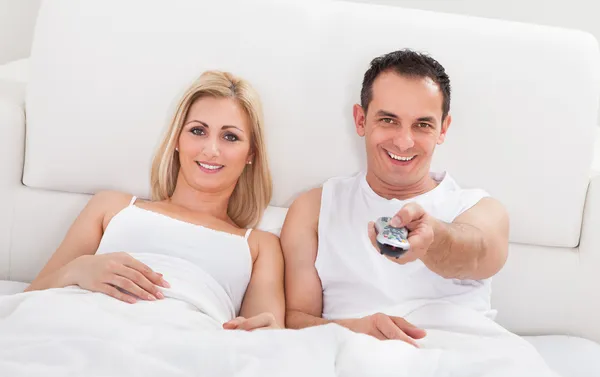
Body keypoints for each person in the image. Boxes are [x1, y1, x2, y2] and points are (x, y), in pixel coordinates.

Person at [281, 49, 510, 346]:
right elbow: (295, 320)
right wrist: (356, 330)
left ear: (443, 129)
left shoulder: (479, 208)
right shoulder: (315, 208)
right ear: (361, 120)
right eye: (388, 120)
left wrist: (433, 239)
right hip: (355, 356)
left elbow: (478, 251)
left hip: (464, 354)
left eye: (422, 125)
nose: (404, 141)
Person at [24, 70, 284, 331]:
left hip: (186, 344)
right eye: (197, 131)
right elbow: (30, 297)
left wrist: (262, 331)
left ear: (251, 153)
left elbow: (265, 338)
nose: (211, 150)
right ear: (177, 140)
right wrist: (78, 270)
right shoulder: (112, 207)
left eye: (230, 137)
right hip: (82, 324)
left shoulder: (260, 247)